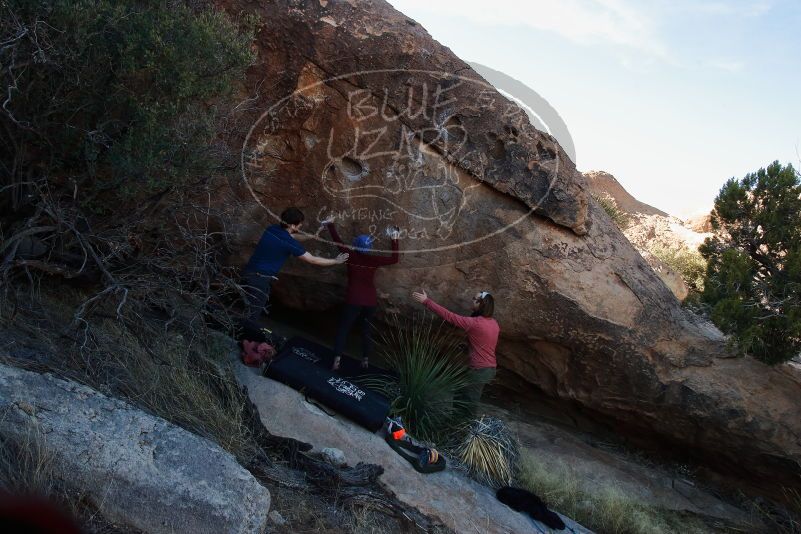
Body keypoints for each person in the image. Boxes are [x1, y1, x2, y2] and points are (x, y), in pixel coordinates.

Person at [242, 207, 348, 322]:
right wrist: (335, 261)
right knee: (252, 314)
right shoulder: (289, 243)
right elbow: (312, 259)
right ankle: (243, 337)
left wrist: (312, 235)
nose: (300, 226)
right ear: (292, 226)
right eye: (299, 225)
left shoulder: (272, 229)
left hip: (249, 272)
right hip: (260, 279)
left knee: (248, 308)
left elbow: (293, 236)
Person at [325, 216, 400, 370]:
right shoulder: (373, 260)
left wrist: (331, 225)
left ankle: (336, 361)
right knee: (366, 331)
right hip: (370, 301)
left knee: (344, 329)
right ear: (370, 247)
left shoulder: (350, 255)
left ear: (355, 245)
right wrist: (394, 238)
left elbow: (337, 241)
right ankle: (365, 360)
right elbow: (394, 259)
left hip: (354, 299)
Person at [412, 289, 499, 412]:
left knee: (468, 403)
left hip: (479, 370)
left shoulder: (475, 323)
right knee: (460, 395)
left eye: (475, 299)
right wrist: (467, 348)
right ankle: (457, 424)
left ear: (481, 304)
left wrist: (426, 301)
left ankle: (463, 428)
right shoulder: (494, 323)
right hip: (489, 368)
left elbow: (449, 316)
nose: (472, 300)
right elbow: (485, 343)